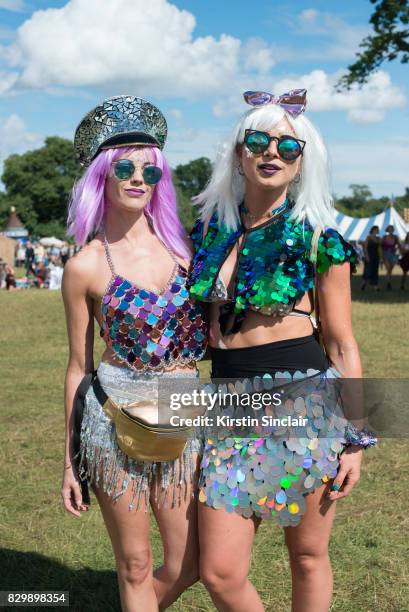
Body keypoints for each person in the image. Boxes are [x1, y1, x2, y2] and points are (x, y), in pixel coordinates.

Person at [188, 89, 376, 612]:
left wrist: (356, 438)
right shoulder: (208, 231)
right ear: (237, 153)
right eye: (258, 141)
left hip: (306, 405)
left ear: (301, 164)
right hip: (230, 405)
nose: (272, 153)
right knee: (219, 572)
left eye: (288, 148)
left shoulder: (319, 238)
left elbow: (341, 342)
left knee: (309, 556)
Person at [61, 96, 207, 611]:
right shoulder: (84, 266)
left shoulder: (189, 253)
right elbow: (77, 365)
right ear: (102, 175)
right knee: (136, 564)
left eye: (150, 168)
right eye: (124, 166)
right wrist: (69, 458)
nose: (138, 177)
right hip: (110, 414)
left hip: (182, 407)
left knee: (190, 562)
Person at [361, 225, 381, 291]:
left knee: (375, 271)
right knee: (368, 271)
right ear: (372, 230)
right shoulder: (368, 237)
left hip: (376, 256)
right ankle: (363, 284)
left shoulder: (378, 238)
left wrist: (380, 257)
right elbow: (365, 248)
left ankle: (375, 287)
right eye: (376, 229)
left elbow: (379, 249)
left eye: (377, 230)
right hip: (369, 256)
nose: (377, 231)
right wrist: (366, 256)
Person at [381, 224, 400, 289]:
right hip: (386, 254)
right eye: (389, 229)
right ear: (387, 230)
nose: (391, 230)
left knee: (390, 269)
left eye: (391, 229)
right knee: (388, 268)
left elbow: (399, 245)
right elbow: (380, 245)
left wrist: (398, 249)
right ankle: (388, 282)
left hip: (393, 254)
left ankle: (388, 282)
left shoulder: (395, 237)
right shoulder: (384, 237)